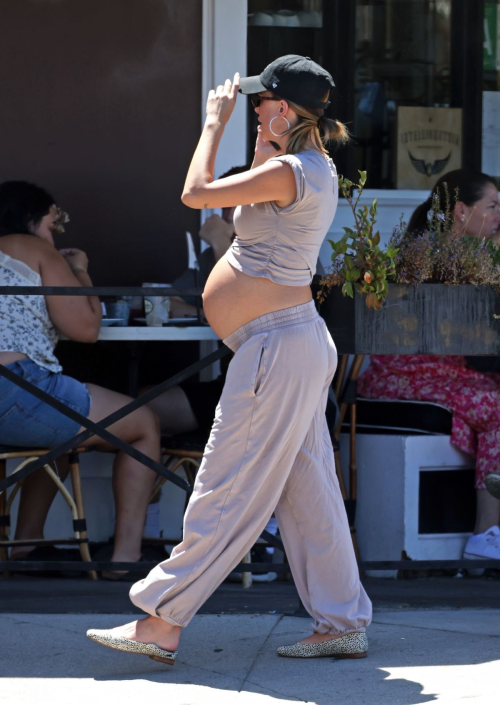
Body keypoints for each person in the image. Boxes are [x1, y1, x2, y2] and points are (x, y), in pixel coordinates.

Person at [88, 54, 372, 665]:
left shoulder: (295, 168)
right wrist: (263, 140)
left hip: (277, 346)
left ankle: (162, 619)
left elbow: (196, 194)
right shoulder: (294, 163)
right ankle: (342, 619)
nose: (252, 109)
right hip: (283, 344)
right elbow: (246, 211)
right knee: (309, 491)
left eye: (261, 102)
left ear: (286, 109)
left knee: (225, 484)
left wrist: (212, 124)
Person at [0, 180, 161, 579]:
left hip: (18, 398)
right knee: (143, 424)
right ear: (32, 220)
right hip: (14, 387)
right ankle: (124, 560)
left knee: (55, 430)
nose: (53, 235)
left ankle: (26, 544)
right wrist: (79, 269)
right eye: (53, 224)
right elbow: (87, 327)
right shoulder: (33, 248)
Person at [358, 169, 500, 563]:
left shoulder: (473, 255)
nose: (498, 216)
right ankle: (486, 535)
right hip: (403, 377)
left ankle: (489, 534)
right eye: (492, 206)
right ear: (460, 211)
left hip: (445, 373)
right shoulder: (433, 256)